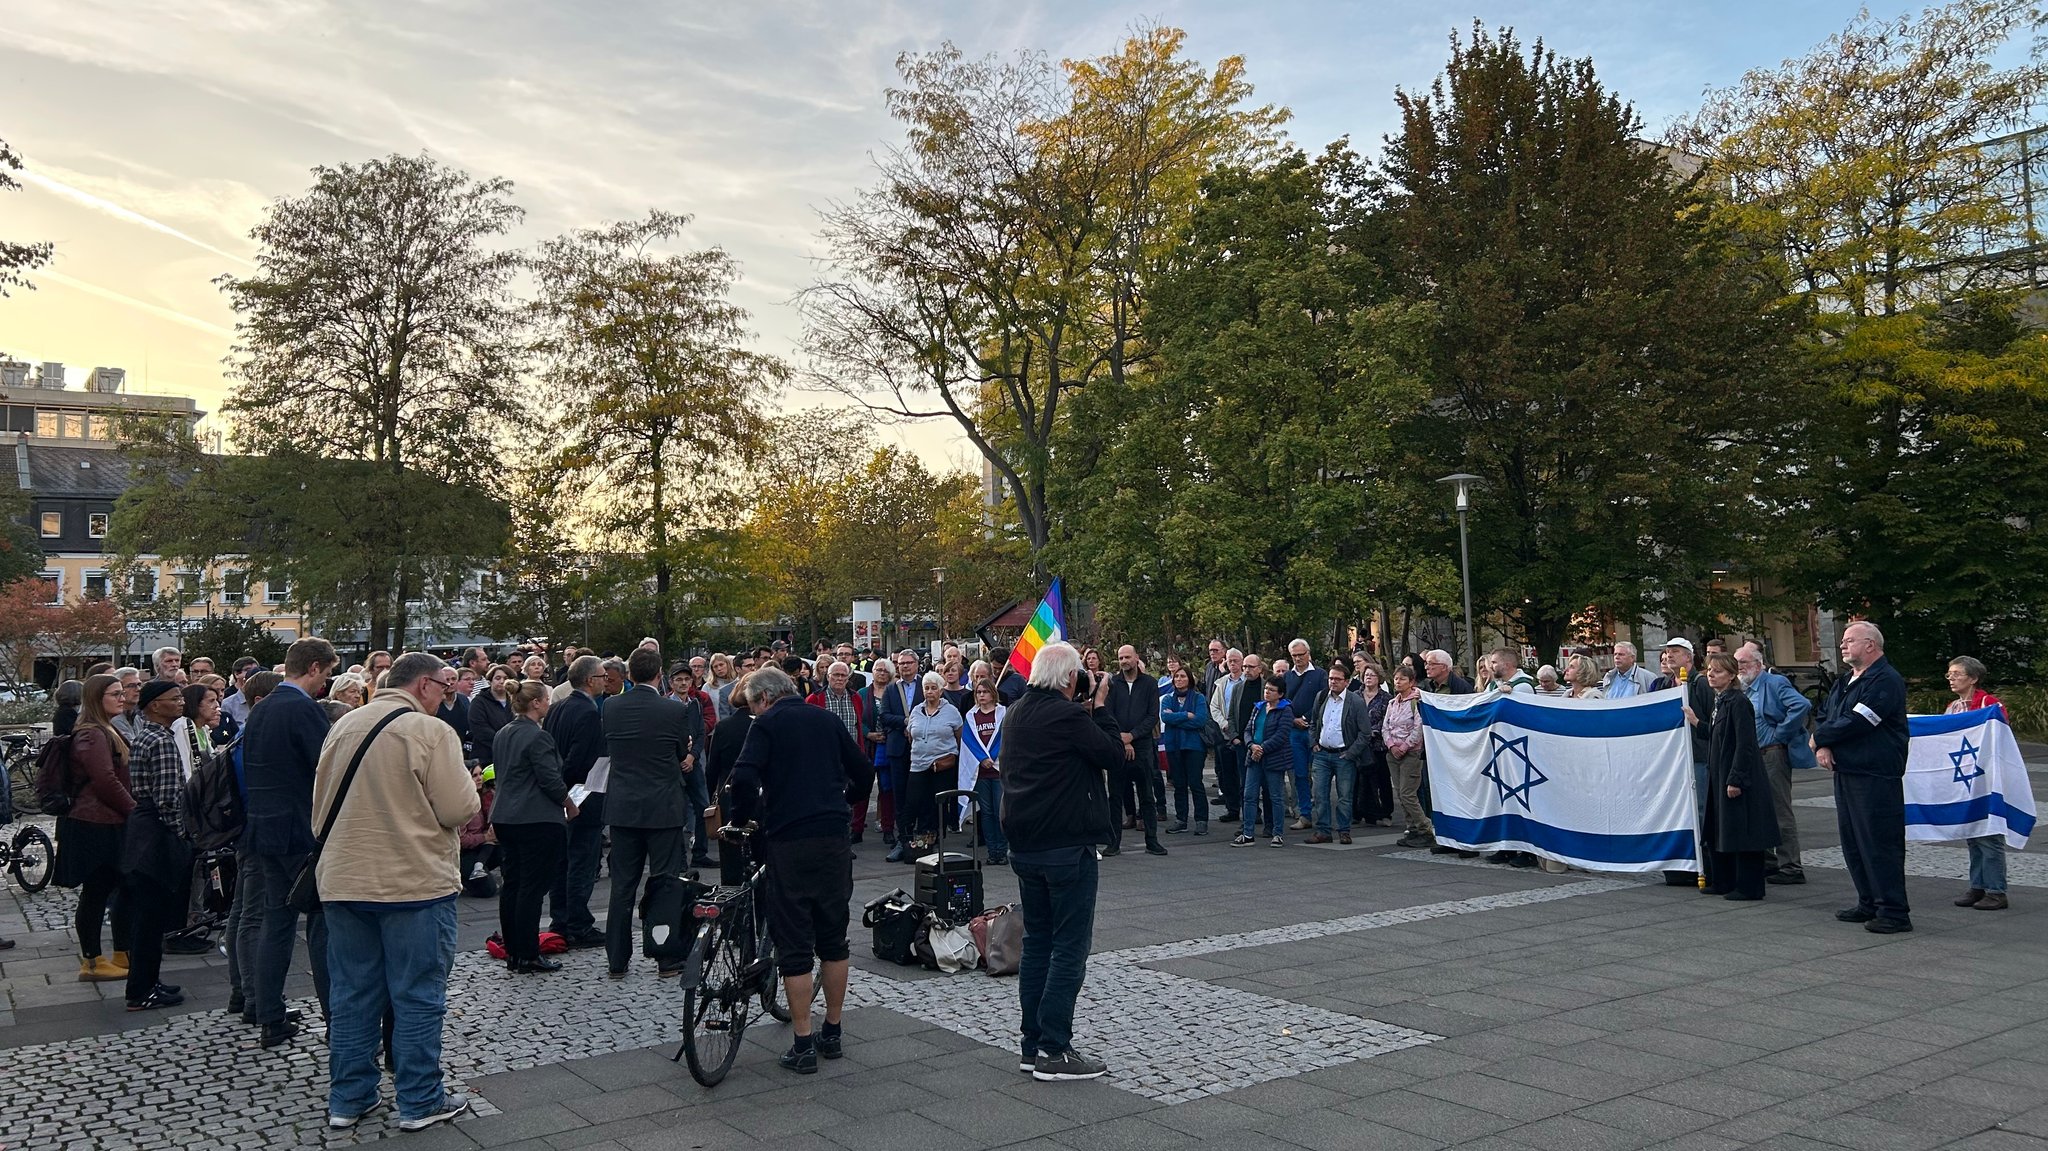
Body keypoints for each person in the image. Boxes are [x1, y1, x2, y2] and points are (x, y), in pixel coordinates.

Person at [313, 653, 479, 1132]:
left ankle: (349, 1098)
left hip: (344, 878)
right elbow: (456, 809)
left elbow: (318, 805)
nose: (447, 697)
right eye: (445, 689)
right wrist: (469, 785)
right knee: (418, 995)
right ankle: (421, 1099)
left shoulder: (343, 725)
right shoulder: (430, 732)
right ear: (425, 685)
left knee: (352, 994)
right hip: (413, 882)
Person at [726, 666, 874, 1074]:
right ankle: (834, 1030)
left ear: (763, 698)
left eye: (753, 704)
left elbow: (743, 776)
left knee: (793, 945)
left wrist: (741, 819)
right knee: (833, 940)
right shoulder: (825, 717)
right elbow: (863, 771)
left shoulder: (768, 723)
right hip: (833, 838)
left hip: (789, 840)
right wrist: (845, 800)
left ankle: (803, 1043)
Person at [996, 641, 1117, 1082]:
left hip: (1025, 846)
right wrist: (1100, 707)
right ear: (1070, 678)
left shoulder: (1016, 712)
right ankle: (1053, 1048)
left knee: (1038, 944)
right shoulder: (1068, 716)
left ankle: (1032, 1045)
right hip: (1067, 846)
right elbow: (1110, 754)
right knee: (1069, 947)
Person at [242, 636, 339, 1047]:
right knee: (321, 926)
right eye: (328, 673)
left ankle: (269, 1015)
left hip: (264, 828)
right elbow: (329, 767)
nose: (327, 684)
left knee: (275, 924)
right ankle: (338, 1020)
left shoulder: (261, 710)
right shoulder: (302, 709)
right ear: (314, 667)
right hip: (300, 831)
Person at [600, 648, 695, 979]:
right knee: (665, 883)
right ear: (659, 675)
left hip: (624, 806)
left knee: (622, 885)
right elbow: (681, 752)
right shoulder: (672, 709)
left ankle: (616, 958)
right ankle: (666, 957)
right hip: (663, 806)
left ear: (629, 674)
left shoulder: (611, 706)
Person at [1813, 621, 1912, 932]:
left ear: (1870, 645)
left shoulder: (1885, 680)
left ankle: (1893, 911)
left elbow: (1860, 720)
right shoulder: (1845, 681)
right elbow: (1825, 714)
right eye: (1843, 641)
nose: (1842, 645)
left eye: (1849, 640)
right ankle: (1868, 901)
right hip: (1848, 770)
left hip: (1875, 772)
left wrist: (1821, 737)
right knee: (1854, 841)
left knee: (1879, 841)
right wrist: (1824, 740)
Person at [492, 680, 575, 971]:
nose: (549, 705)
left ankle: (514, 951)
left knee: (512, 884)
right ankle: (528, 951)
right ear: (537, 703)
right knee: (532, 886)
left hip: (505, 815)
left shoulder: (503, 733)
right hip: (535, 817)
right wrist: (569, 802)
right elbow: (549, 778)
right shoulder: (538, 737)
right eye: (547, 700)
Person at [57, 674, 134, 982]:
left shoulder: (105, 729)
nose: (122, 698)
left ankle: (121, 951)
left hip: (108, 821)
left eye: (121, 693)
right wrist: (133, 810)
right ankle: (91, 960)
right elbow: (104, 780)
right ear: (96, 699)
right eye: (115, 694)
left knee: (121, 887)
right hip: (95, 824)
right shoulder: (92, 734)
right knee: (96, 892)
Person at [122, 679, 189, 1011]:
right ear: (153, 705)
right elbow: (168, 797)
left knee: (149, 915)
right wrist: (181, 833)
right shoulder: (160, 740)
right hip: (156, 834)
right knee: (151, 916)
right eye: (173, 698)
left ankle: (148, 980)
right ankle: (141, 989)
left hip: (143, 829)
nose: (180, 702)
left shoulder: (149, 735)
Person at [1693, 652, 1778, 901]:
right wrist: (1696, 722)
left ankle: (1748, 886)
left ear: (1731, 676)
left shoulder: (1739, 702)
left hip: (1736, 776)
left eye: (1717, 671)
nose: (1711, 674)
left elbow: (1745, 743)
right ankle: (1723, 880)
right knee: (1722, 828)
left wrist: (1736, 778)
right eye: (1709, 670)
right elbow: (1719, 735)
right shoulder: (1721, 701)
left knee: (1742, 829)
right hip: (1719, 774)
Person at [1735, 642, 1813, 887]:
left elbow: (1802, 704)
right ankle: (1768, 860)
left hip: (1772, 753)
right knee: (1757, 809)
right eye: (1737, 664)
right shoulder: (1744, 687)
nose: (1739, 668)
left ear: (1758, 665)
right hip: (1753, 755)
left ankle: (1790, 865)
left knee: (1779, 810)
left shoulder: (1773, 683)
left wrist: (1781, 733)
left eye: (1744, 663)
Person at [543, 655, 607, 948]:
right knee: (581, 861)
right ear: (589, 680)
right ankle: (578, 923)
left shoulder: (556, 708)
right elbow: (580, 759)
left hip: (559, 794)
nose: (606, 681)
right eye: (602, 676)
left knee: (561, 861)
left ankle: (561, 919)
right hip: (582, 795)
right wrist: (572, 792)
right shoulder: (589, 713)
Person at [1945, 656, 2008, 911]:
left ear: (1973, 678)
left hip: (1988, 776)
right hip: (1965, 776)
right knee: (1972, 832)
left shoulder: (1989, 704)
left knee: (1989, 833)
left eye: (1957, 674)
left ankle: (1996, 889)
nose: (1951, 678)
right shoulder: (1953, 707)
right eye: (1949, 674)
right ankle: (1978, 885)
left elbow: (2001, 735)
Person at [1104, 646, 1165, 857]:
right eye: (1120, 657)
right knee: (1115, 797)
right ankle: (1113, 843)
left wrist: (1133, 736)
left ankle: (1152, 840)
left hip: (1143, 748)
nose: (1124, 661)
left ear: (1136, 658)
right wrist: (1122, 738)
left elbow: (1152, 716)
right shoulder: (1112, 683)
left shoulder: (1149, 684)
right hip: (1118, 748)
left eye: (1127, 657)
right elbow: (1107, 713)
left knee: (1147, 795)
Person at [1305, 661, 1371, 845]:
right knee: (1319, 794)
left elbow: (1365, 733)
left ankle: (1344, 830)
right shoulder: (1321, 696)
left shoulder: (1356, 702)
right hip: (1322, 754)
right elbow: (1313, 723)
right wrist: (1314, 743)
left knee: (1344, 796)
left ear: (1347, 682)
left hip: (1344, 755)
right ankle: (1323, 831)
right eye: (1330, 678)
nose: (1333, 682)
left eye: (1337, 679)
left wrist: (1350, 753)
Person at [905, 671, 964, 855]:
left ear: (940, 691)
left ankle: (936, 835)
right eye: (926, 688)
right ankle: (920, 835)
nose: (929, 692)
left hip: (942, 764)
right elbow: (910, 734)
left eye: (933, 688)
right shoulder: (916, 710)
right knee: (915, 800)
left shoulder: (951, 711)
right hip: (918, 763)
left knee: (938, 801)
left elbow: (959, 736)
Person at [1234, 678, 1296, 847]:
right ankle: (1247, 833)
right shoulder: (1259, 707)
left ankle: (1277, 833)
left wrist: (1261, 748)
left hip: (1274, 759)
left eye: (1271, 690)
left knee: (1275, 796)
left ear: (1281, 694)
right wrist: (1251, 746)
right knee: (1249, 795)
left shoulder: (1286, 710)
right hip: (1253, 757)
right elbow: (1248, 729)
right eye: (1266, 688)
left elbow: (1282, 735)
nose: (1267, 692)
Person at [958, 679, 1008, 864]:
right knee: (986, 813)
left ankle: (1002, 851)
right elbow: (969, 741)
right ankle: (992, 851)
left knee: (999, 812)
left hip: (998, 771)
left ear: (992, 693)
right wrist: (981, 759)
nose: (981, 695)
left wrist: (992, 757)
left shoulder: (1003, 713)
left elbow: (1004, 737)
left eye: (985, 692)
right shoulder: (971, 716)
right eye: (978, 692)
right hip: (981, 772)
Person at [879, 649, 922, 863]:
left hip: (922, 750)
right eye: (901, 663)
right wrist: (904, 722)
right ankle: (902, 840)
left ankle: (923, 839)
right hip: (898, 749)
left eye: (908, 663)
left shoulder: (926, 685)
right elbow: (884, 716)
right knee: (900, 795)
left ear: (916, 664)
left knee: (921, 795)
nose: (904, 666)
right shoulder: (891, 690)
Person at [1158, 666, 1210, 836]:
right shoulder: (1167, 699)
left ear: (1189, 679)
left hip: (1194, 747)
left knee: (1195, 783)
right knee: (1179, 784)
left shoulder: (1198, 698)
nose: (1179, 679)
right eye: (1176, 677)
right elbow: (1165, 717)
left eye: (1182, 676)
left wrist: (1176, 717)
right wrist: (1186, 715)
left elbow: (1200, 720)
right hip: (1174, 746)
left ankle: (1201, 820)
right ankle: (1181, 820)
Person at [1384, 664, 1431, 848]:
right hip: (1393, 753)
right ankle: (1412, 829)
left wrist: (1403, 746)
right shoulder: (1392, 702)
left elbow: (1418, 728)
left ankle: (1425, 828)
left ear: (1411, 682)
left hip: (1410, 753)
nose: (1398, 682)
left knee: (1407, 793)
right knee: (1401, 794)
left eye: (1402, 679)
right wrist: (1391, 745)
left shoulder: (1416, 701)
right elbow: (1385, 726)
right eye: (1396, 678)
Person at [1282, 639, 1325, 829]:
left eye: (1301, 654)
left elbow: (1323, 701)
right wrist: (1293, 720)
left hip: (1315, 730)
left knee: (1320, 775)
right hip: (1294, 731)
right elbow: (1282, 702)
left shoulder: (1320, 675)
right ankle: (1304, 813)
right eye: (1294, 656)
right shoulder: (1287, 677)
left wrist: (1306, 719)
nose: (1298, 658)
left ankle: (1323, 816)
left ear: (1308, 653)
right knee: (1299, 773)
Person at [1352, 663, 1394, 827]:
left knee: (1382, 780)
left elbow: (1388, 720)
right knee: (1357, 781)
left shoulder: (1386, 698)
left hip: (1378, 745)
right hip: (1358, 745)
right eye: (1366, 675)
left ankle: (1385, 813)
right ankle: (1358, 812)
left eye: (1372, 675)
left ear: (1379, 678)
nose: (1368, 678)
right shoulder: (1354, 695)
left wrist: (1370, 732)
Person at [468, 665, 515, 767]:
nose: (502, 681)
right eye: (498, 678)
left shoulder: (515, 701)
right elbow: (480, 729)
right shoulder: (479, 702)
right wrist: (504, 743)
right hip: (486, 757)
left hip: (511, 757)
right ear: (490, 681)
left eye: (506, 678)